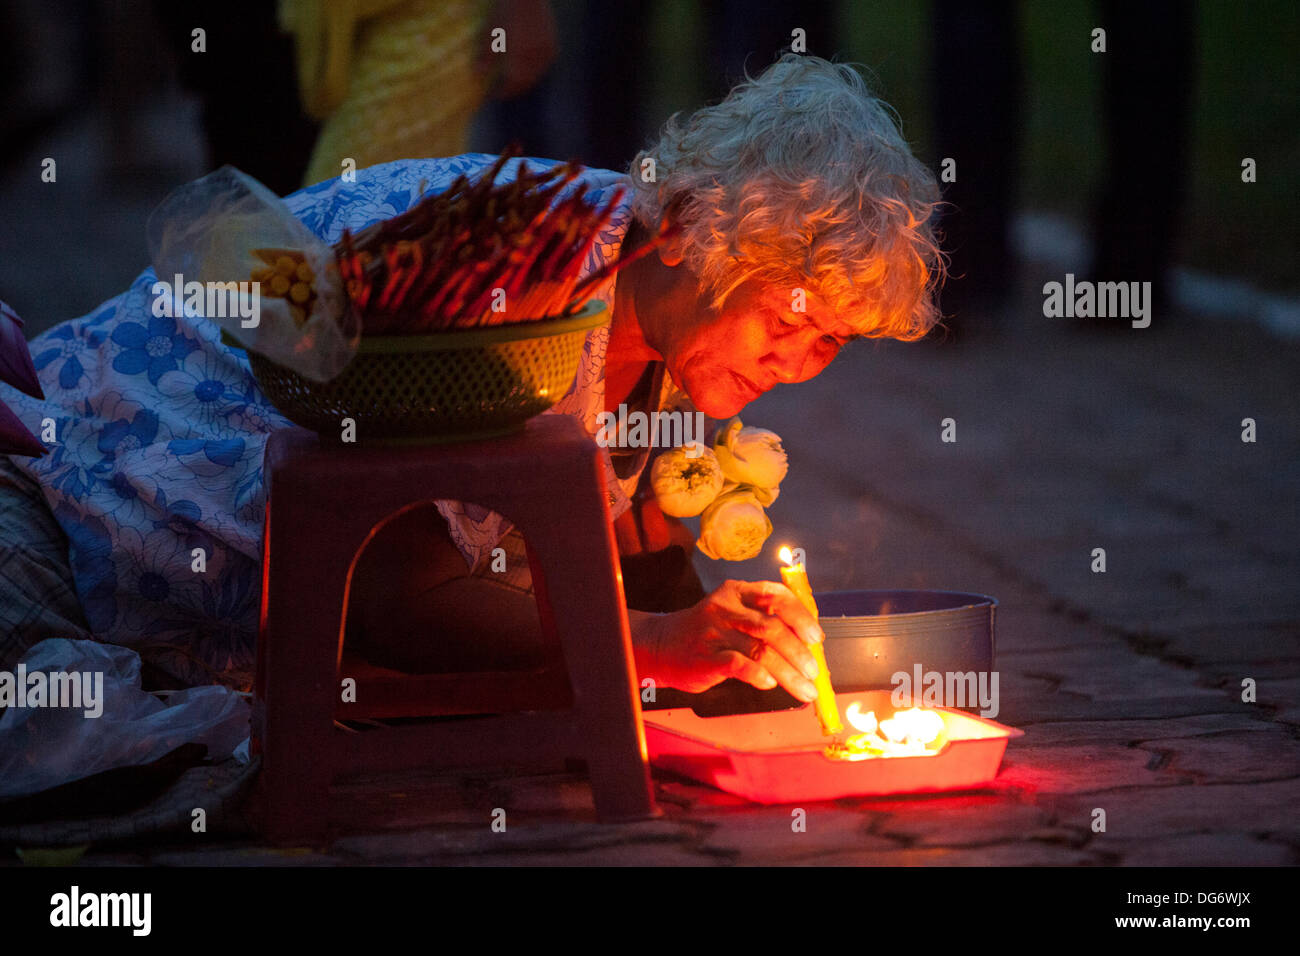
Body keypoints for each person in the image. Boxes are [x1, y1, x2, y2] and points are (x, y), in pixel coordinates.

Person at [0, 54, 943, 705]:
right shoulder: (521, 278)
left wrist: (719, 639)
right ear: (694, 231)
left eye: (833, 342)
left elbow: (590, 562)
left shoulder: (660, 354)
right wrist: (655, 652)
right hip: (60, 495)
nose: (797, 361)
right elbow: (395, 596)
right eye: (788, 318)